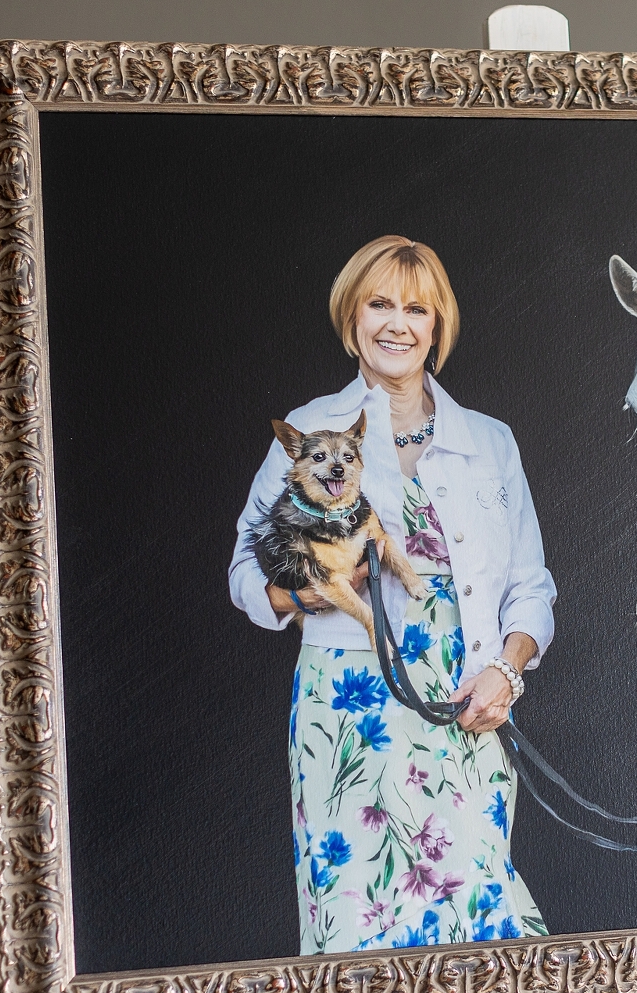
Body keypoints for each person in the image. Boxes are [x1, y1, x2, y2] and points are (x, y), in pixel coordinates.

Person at [229, 235, 557, 954]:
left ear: (437, 326)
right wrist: (306, 595)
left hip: (461, 701)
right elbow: (245, 577)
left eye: (416, 308)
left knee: (484, 929)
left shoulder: (490, 442)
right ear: (353, 318)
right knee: (362, 936)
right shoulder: (313, 429)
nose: (397, 324)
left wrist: (505, 672)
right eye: (379, 304)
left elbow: (531, 587)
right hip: (349, 712)